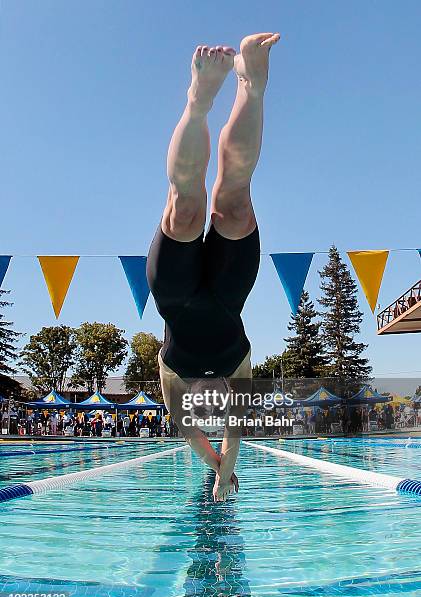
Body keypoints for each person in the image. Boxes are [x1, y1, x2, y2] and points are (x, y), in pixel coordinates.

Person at [146, 33, 280, 502]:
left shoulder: (171, 377)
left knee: (185, 209)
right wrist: (226, 471)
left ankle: (197, 102)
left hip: (174, 297)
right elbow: (237, 432)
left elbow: (190, 435)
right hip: (227, 295)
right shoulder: (237, 367)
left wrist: (216, 469)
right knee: (235, 203)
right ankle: (251, 87)